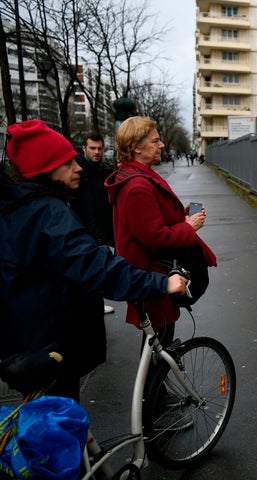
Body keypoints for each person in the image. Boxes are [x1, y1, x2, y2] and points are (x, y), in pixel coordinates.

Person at [0, 119, 188, 401]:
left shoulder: (16, 208)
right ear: (46, 170)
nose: (78, 167)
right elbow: (94, 267)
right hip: (49, 348)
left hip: (26, 342)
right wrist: (160, 284)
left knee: (52, 422)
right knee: (59, 428)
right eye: (67, 163)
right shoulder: (49, 214)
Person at [105, 116, 217, 347]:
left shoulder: (136, 176)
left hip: (151, 278)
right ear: (136, 147)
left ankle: (155, 383)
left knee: (157, 347)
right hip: (153, 279)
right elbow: (156, 239)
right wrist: (188, 227)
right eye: (155, 141)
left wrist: (179, 216)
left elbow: (147, 223)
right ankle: (154, 384)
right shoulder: (137, 186)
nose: (162, 145)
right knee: (158, 348)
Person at [71, 132, 116, 314]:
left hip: (100, 229)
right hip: (84, 230)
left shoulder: (104, 171)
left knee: (96, 269)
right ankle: (91, 304)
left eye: (99, 148)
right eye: (92, 148)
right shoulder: (78, 172)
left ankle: (96, 302)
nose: (97, 152)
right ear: (84, 149)